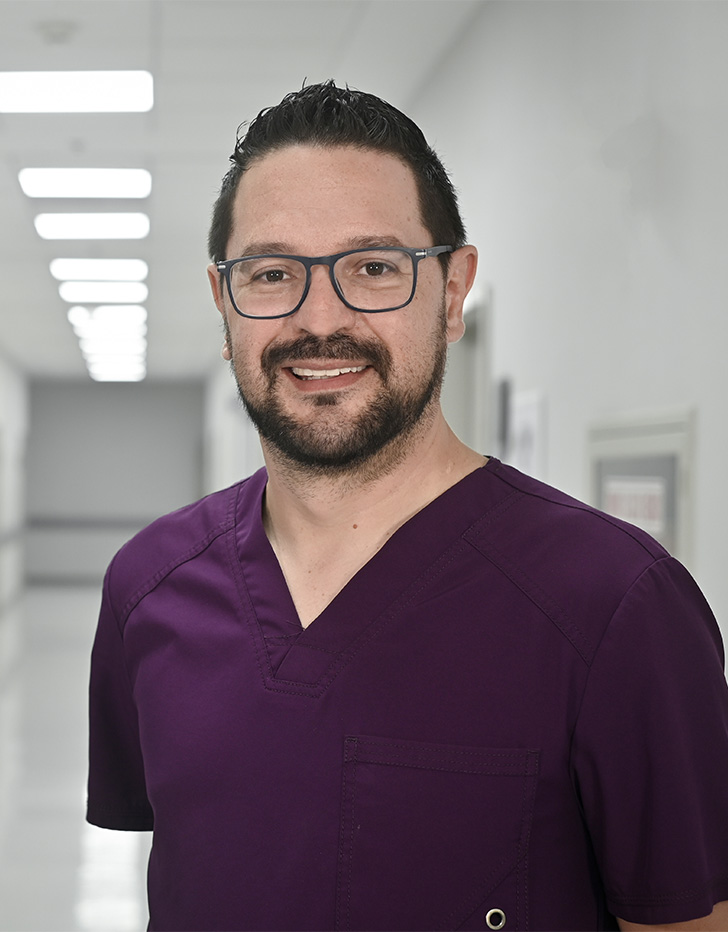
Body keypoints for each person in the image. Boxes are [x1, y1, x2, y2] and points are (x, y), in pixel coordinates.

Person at [87, 82, 728, 932]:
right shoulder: (149, 589)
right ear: (224, 302)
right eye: (273, 273)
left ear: (453, 291)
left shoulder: (617, 607)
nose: (321, 319)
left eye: (375, 268)